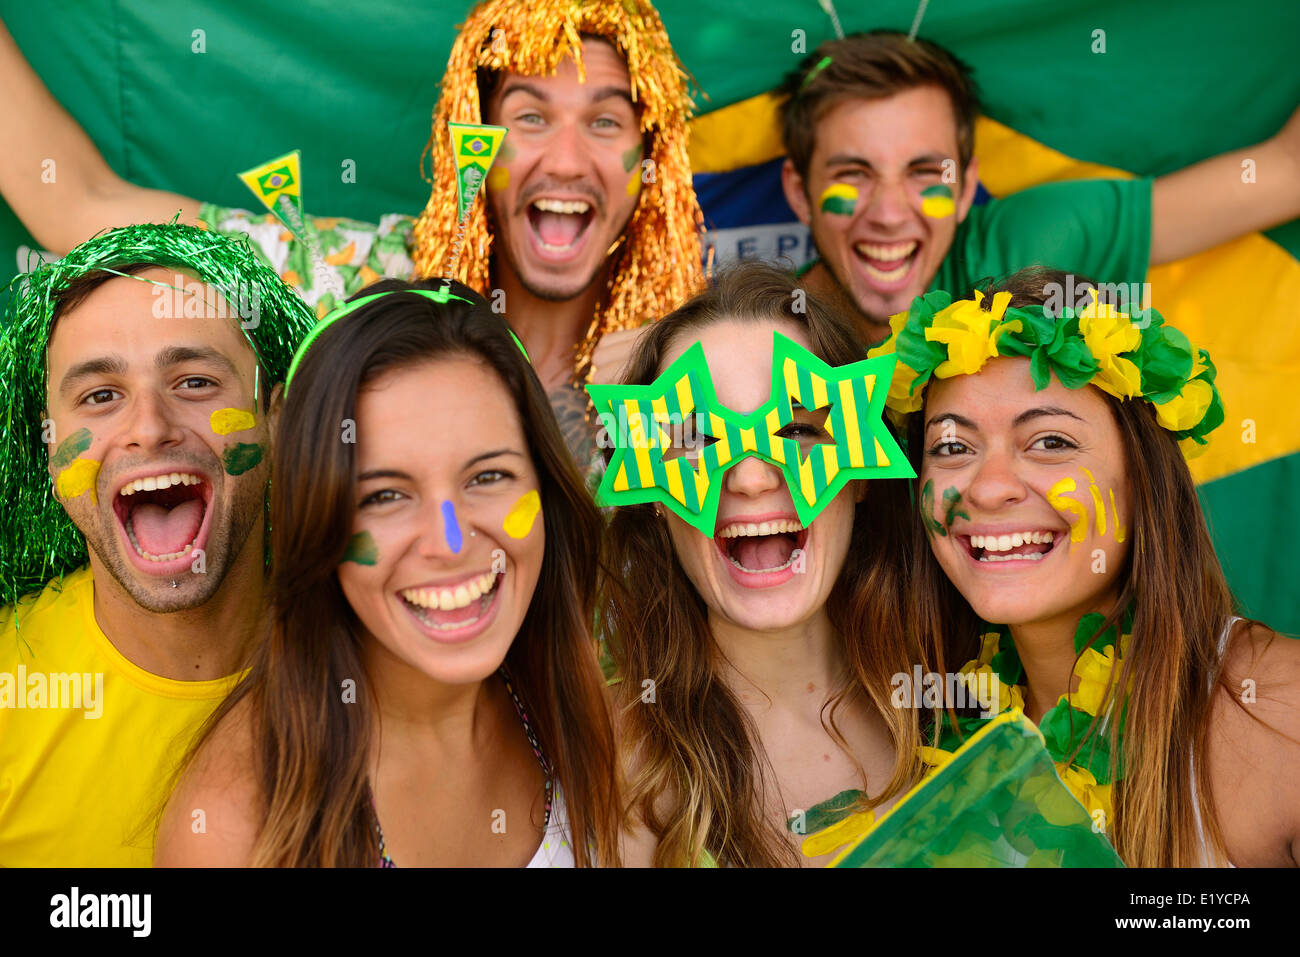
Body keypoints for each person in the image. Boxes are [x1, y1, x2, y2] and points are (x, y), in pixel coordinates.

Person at [0, 1, 704, 468]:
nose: (568, 159)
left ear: (650, 161)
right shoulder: (352, 276)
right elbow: (74, 200)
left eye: (606, 122)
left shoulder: (692, 363)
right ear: (475, 144)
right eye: (529, 118)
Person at [155, 280, 619, 866]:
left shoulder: (597, 724)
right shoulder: (233, 830)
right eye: (385, 496)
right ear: (318, 522)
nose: (450, 543)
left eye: (488, 477)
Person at [871, 265, 1300, 866]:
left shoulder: (1282, 711)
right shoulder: (914, 735)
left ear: (1143, 478)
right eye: (952, 447)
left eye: (1050, 442)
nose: (989, 489)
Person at [0, 223, 315, 865]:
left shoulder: (388, 663)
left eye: (196, 382)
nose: (149, 427)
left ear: (279, 421)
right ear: (48, 450)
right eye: (101, 396)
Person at [595, 261, 923, 867]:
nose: (748, 477)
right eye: (697, 437)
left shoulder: (971, 694)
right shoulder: (601, 760)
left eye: (796, 429)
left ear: (861, 478)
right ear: (651, 498)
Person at [778, 30, 1300, 345]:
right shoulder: (758, 344)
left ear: (965, 191)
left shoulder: (1023, 250)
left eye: (925, 174)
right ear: (800, 193)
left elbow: (1287, 171)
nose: (889, 213)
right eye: (854, 174)